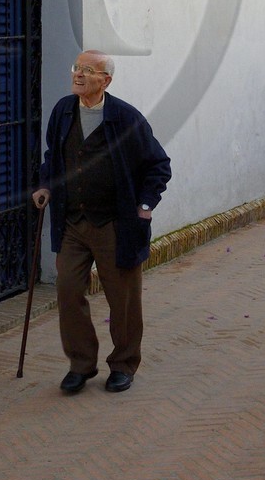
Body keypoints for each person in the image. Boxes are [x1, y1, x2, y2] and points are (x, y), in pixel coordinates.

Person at [33, 51, 171, 395]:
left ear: (105, 80)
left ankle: (123, 364)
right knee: (67, 290)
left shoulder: (125, 118)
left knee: (122, 299)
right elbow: (54, 157)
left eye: (88, 70)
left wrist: (144, 206)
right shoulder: (63, 111)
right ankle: (81, 364)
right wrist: (46, 185)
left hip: (115, 224)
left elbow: (158, 165)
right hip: (74, 222)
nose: (78, 75)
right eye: (76, 67)